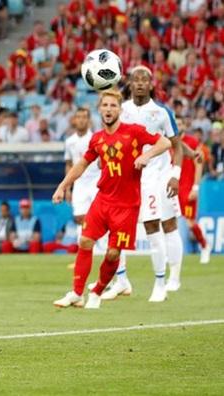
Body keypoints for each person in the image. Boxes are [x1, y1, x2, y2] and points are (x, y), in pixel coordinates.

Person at [53, 89, 171, 309]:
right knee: (85, 241)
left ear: (120, 110)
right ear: (100, 110)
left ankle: (97, 291)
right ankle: (77, 293)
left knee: (113, 253)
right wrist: (63, 186)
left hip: (127, 205)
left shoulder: (134, 132)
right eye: (105, 106)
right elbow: (81, 165)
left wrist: (146, 155)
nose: (108, 109)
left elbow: (165, 143)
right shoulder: (97, 139)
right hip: (103, 200)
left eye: (113, 106)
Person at [104, 66, 184, 301]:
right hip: (126, 178)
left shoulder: (161, 112)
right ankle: (121, 280)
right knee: (115, 228)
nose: (139, 83)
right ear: (129, 83)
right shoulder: (121, 109)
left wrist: (175, 174)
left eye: (144, 80)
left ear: (151, 84)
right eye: (135, 79)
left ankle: (165, 281)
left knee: (160, 226)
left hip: (156, 177)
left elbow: (175, 144)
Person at [64, 107, 100, 240]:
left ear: (88, 120)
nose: (81, 120)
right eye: (78, 117)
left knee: (99, 217)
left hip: (96, 182)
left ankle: (101, 249)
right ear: (74, 120)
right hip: (79, 184)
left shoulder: (95, 138)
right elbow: (69, 164)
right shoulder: (69, 142)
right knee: (79, 217)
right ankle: (84, 251)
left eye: (84, 117)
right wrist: (68, 187)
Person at [179, 125, 211, 264]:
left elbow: (199, 163)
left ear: (184, 126)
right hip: (174, 188)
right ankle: (172, 253)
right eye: (176, 123)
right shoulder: (170, 141)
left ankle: (204, 245)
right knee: (169, 222)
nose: (178, 126)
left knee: (190, 222)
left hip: (188, 188)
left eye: (180, 124)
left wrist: (196, 187)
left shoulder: (191, 141)